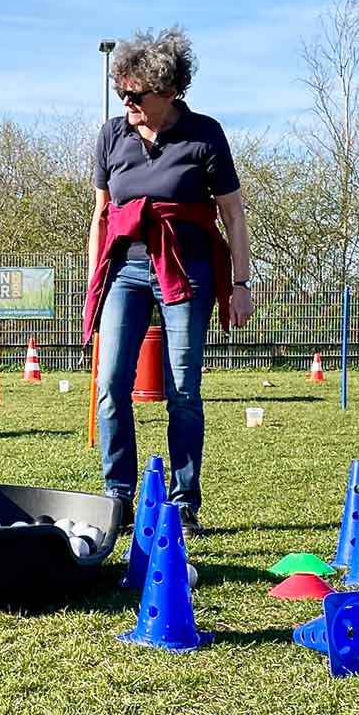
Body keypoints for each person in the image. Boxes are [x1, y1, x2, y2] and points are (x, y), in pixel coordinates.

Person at [85, 26, 255, 536]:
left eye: (136, 95)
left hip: (187, 271)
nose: (127, 103)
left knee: (183, 388)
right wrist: (95, 280)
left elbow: (233, 213)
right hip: (126, 270)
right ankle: (117, 497)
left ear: (168, 91)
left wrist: (241, 284)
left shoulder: (205, 134)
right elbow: (99, 214)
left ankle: (183, 502)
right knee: (111, 383)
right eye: (122, 94)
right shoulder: (112, 135)